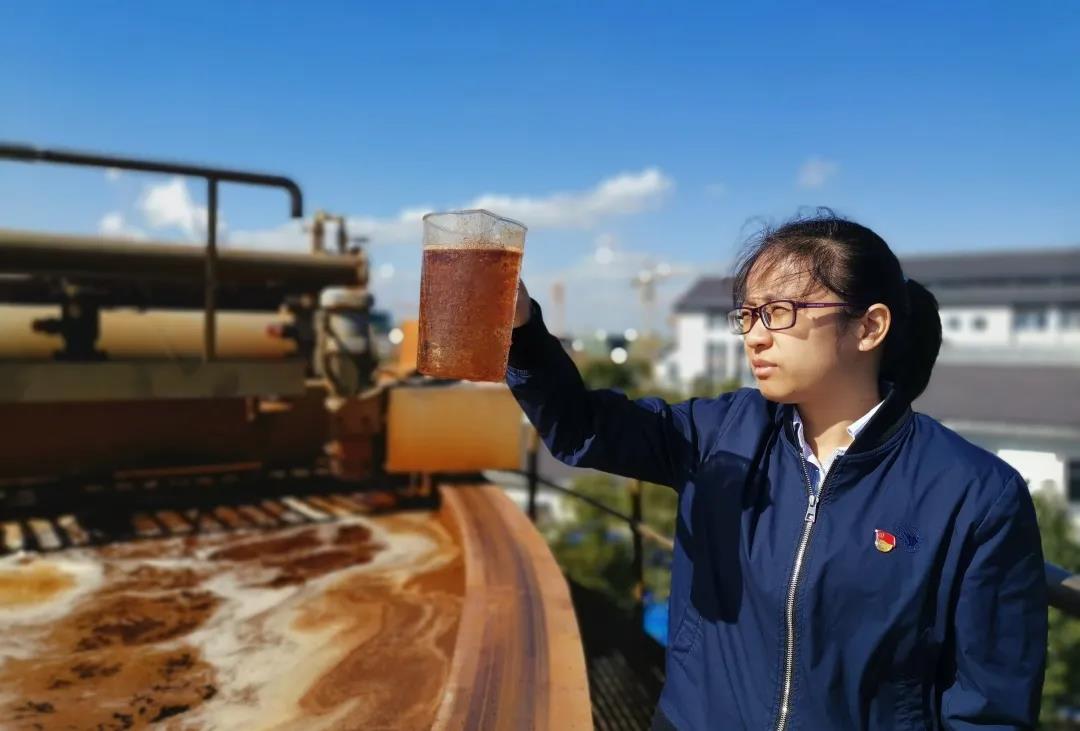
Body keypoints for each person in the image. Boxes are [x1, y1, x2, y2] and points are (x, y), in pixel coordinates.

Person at [504, 212, 1047, 730]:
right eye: (748, 315)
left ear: (869, 326)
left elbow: (988, 708)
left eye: (779, 312)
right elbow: (582, 428)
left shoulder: (973, 493)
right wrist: (522, 329)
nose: (755, 336)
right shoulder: (720, 433)